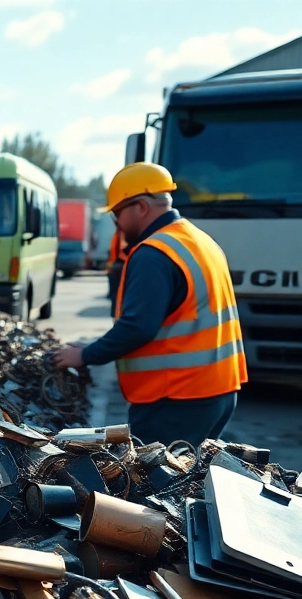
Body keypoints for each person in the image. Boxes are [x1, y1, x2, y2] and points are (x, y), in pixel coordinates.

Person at [54, 162, 246, 449]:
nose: (116, 223)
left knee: (150, 486)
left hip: (175, 400)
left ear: (140, 207)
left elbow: (138, 326)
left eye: (117, 213)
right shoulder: (199, 240)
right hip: (217, 391)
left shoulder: (153, 253)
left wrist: (86, 356)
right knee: (184, 484)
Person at [105, 228, 128, 303]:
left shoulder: (117, 236)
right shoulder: (122, 235)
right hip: (118, 266)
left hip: (115, 266)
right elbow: (123, 250)